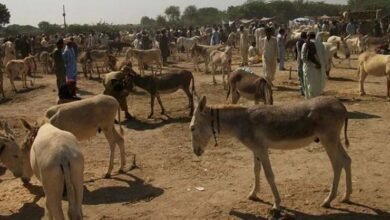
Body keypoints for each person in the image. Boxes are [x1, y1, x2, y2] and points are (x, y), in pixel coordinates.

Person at [301, 32, 326, 99]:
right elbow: (323, 57)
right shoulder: (321, 45)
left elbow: (303, 58)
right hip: (318, 69)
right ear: (315, 36)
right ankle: (316, 102)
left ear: (308, 36)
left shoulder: (305, 44)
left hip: (308, 68)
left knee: (308, 85)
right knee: (317, 86)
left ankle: (309, 101)